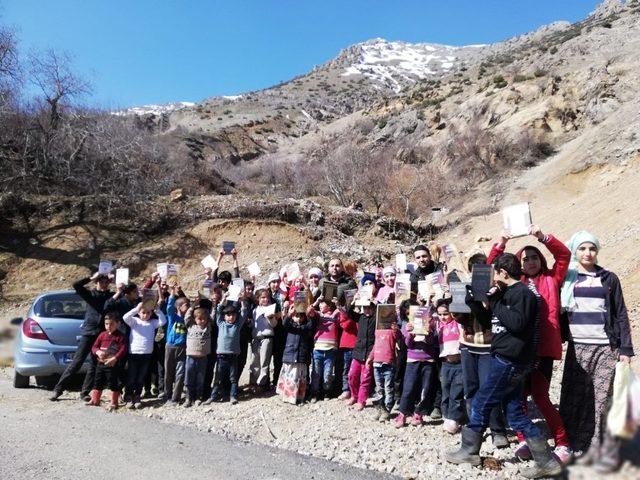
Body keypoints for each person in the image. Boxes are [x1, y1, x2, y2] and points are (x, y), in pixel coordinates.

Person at [446, 253, 561, 479]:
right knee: (515, 413)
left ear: (504, 273)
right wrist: (471, 299)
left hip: (510, 361)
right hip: (507, 358)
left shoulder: (524, 294)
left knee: (480, 403)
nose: (494, 278)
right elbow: (492, 321)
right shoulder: (508, 293)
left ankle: (469, 450)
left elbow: (517, 324)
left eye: (495, 273)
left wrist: (496, 301)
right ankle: (546, 461)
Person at [487, 225, 572, 463]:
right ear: (519, 264)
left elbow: (564, 255)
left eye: (535, 257)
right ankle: (525, 439)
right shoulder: (515, 283)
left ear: (541, 260)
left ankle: (563, 443)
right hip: (519, 349)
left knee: (541, 396)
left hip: (543, 347)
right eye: (525, 259)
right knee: (518, 396)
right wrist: (501, 241)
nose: (531, 261)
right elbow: (489, 268)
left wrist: (542, 237)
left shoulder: (552, 278)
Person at [558, 231, 634, 472]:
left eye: (591, 248)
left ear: (597, 251)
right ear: (575, 251)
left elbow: (620, 313)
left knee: (601, 399)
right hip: (577, 346)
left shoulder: (608, 278)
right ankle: (570, 442)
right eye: (582, 249)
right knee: (574, 395)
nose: (587, 253)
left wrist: (625, 348)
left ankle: (596, 446)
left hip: (605, 347)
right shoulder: (567, 278)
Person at [457, 252, 509, 448]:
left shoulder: (497, 291)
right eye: (474, 272)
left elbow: (489, 319)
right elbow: (460, 318)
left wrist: (479, 301)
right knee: (471, 388)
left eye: (482, 272)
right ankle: (475, 427)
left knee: (489, 389)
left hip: (489, 346)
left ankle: (497, 429)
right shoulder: (467, 290)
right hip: (468, 345)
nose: (477, 276)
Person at [50, 271, 113, 401]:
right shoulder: (90, 295)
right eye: (101, 281)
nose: (104, 284)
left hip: (101, 334)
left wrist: (118, 280)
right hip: (89, 333)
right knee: (77, 362)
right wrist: (90, 278)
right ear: (96, 283)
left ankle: (85, 392)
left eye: (106, 282)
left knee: (95, 365)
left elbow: (125, 293)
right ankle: (58, 389)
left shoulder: (110, 296)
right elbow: (76, 285)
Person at [395, 304, 438, 428]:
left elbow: (431, 342)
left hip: (428, 359)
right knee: (408, 387)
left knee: (425, 388)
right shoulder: (407, 326)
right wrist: (410, 333)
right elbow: (408, 344)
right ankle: (403, 413)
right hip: (412, 359)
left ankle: (418, 413)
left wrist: (428, 331)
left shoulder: (432, 325)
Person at [123, 298, 167, 409]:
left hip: (147, 354)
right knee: (132, 376)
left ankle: (137, 395)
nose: (145, 315)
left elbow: (163, 321)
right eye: (143, 312)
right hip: (134, 353)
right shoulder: (134, 321)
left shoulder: (152, 323)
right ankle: (128, 395)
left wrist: (157, 310)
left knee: (140, 377)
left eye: (148, 313)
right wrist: (137, 308)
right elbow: (125, 317)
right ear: (139, 313)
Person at [204, 298, 244, 406]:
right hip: (221, 356)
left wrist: (242, 301)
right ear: (224, 316)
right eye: (228, 315)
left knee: (233, 378)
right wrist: (223, 300)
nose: (231, 317)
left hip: (233, 356)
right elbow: (218, 310)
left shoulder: (237, 325)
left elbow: (244, 313)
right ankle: (213, 396)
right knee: (218, 378)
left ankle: (233, 396)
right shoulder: (221, 324)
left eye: (233, 315)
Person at [86, 312, 127, 411]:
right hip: (100, 363)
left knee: (112, 383)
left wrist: (115, 358)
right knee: (97, 381)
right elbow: (94, 346)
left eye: (111, 324)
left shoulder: (120, 336)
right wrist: (98, 352)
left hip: (112, 365)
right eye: (106, 324)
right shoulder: (102, 335)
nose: (108, 326)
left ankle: (114, 402)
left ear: (118, 324)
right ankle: (95, 400)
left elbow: (123, 349)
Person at [436, 299, 465, 434]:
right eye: (440, 314)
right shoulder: (438, 326)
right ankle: (446, 416)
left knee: (456, 392)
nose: (443, 317)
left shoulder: (457, 323)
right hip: (445, 364)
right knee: (445, 391)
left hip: (459, 364)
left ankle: (455, 418)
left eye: (446, 314)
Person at [277, 305, 316, 404]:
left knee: (299, 377)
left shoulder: (305, 327)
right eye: (296, 316)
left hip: (301, 357)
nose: (298, 318)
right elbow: (284, 323)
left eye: (301, 316)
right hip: (290, 356)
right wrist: (289, 314)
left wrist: (309, 315)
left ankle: (298, 396)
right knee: (289, 376)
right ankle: (287, 396)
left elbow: (311, 325)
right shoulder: (290, 327)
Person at [346, 296, 376, 411]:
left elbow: (382, 311)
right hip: (358, 352)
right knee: (352, 375)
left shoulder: (375, 319)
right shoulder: (361, 317)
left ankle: (361, 400)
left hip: (369, 353)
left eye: (369, 308)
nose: (367, 310)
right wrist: (354, 301)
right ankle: (354, 395)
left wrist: (372, 300)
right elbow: (349, 313)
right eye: (365, 308)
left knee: (365, 379)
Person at [368, 319, 401, 422]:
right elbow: (375, 345)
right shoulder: (377, 329)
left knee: (388, 388)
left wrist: (395, 328)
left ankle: (387, 410)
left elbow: (398, 337)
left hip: (388, 362)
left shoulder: (392, 329)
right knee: (378, 388)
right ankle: (380, 409)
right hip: (377, 362)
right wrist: (370, 358)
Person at [310, 296, 341, 402]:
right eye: (320, 304)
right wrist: (317, 301)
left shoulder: (335, 314)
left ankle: (326, 392)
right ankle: (314, 393)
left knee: (327, 374)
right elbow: (308, 310)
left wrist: (337, 304)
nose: (320, 305)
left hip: (331, 349)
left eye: (322, 304)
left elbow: (344, 313)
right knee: (316, 373)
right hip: (318, 348)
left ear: (328, 306)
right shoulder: (319, 315)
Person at [163, 286, 189, 404]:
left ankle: (175, 397)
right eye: (186, 305)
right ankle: (167, 395)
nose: (188, 307)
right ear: (179, 307)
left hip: (183, 348)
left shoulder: (188, 319)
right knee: (169, 372)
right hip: (170, 347)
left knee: (180, 373)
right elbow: (169, 307)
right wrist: (172, 293)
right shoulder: (173, 317)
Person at [249, 288, 278, 394]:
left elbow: (274, 324)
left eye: (267, 297)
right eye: (263, 297)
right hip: (256, 338)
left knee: (264, 362)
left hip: (266, 338)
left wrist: (270, 318)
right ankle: (253, 383)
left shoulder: (271, 309)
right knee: (254, 362)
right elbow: (254, 325)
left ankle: (261, 384)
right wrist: (250, 323)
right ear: (258, 299)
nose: (265, 299)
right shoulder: (255, 310)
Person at [184, 307, 212, 405]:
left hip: (203, 357)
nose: (202, 320)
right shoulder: (190, 326)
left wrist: (214, 304)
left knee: (200, 379)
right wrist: (193, 306)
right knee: (189, 378)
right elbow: (187, 317)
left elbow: (212, 316)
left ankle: (198, 397)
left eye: (204, 318)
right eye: (199, 318)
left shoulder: (208, 327)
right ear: (194, 319)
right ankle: (188, 397)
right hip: (191, 357)